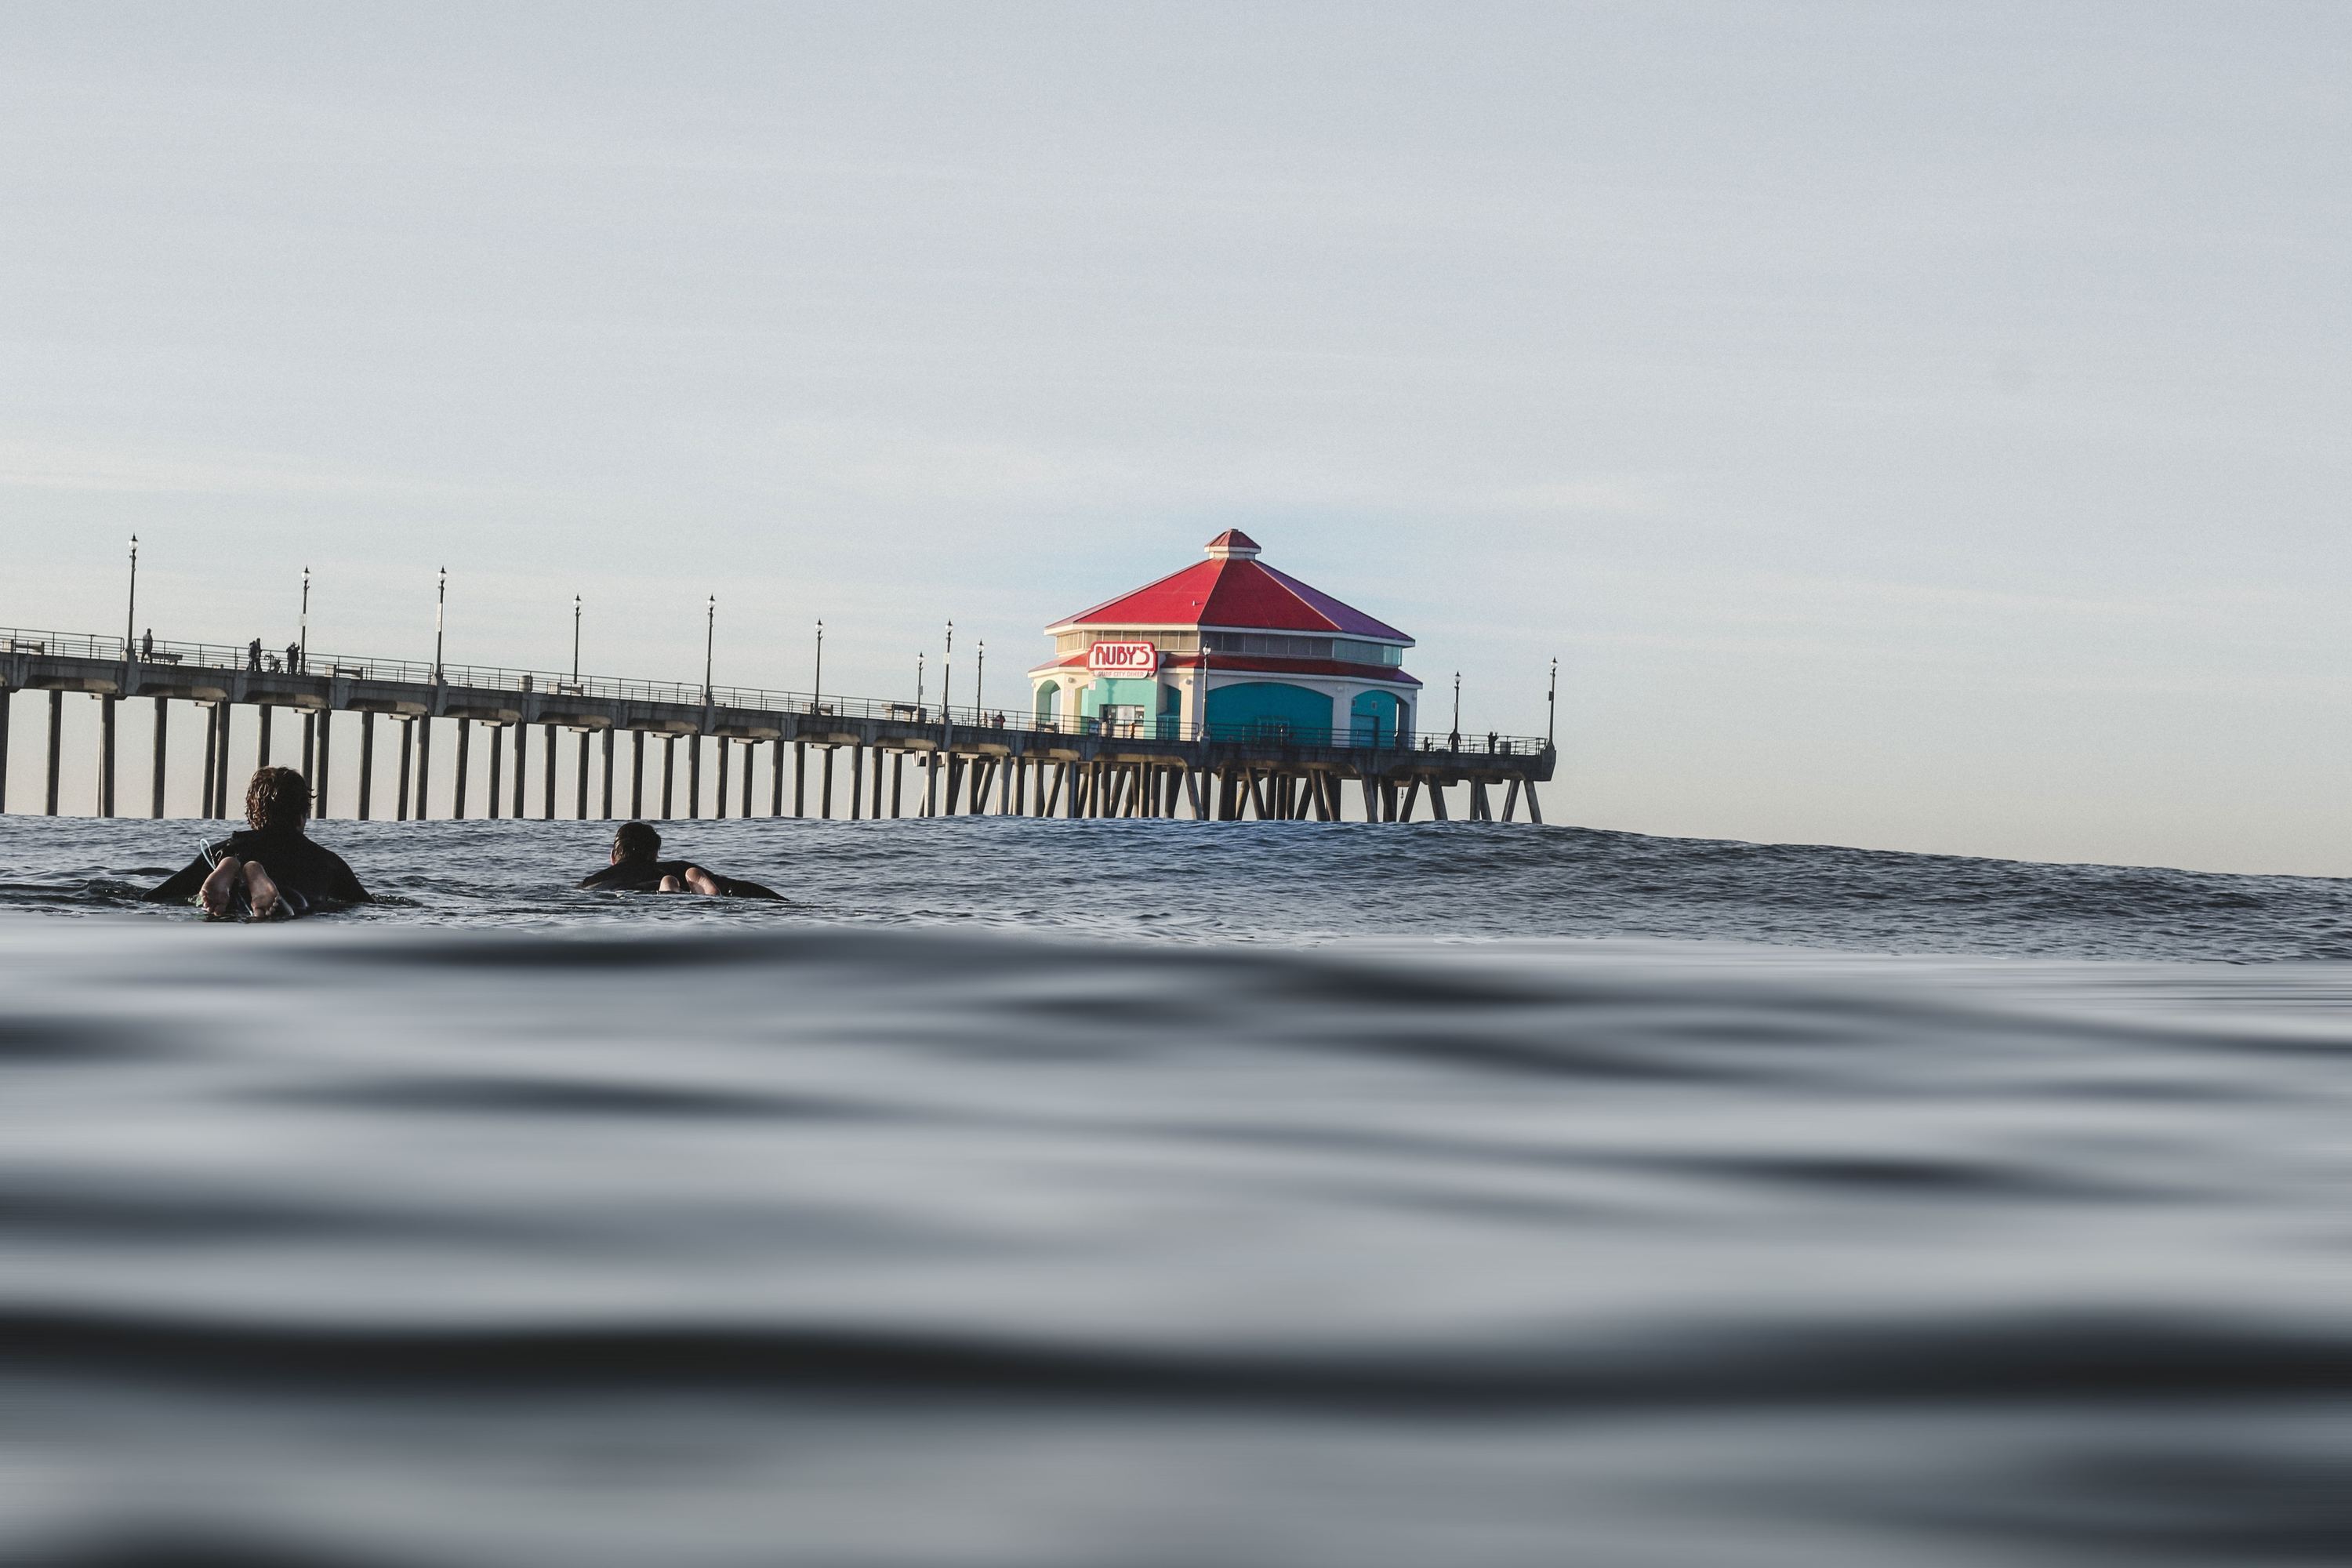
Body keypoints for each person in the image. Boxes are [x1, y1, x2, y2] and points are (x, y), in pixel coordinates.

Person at [144, 766, 370, 919]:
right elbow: (367, 905)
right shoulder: (327, 862)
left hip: (237, 857)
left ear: (252, 814)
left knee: (221, 910)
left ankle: (234, 872)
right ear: (302, 815)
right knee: (293, 907)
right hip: (291, 898)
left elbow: (155, 897)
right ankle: (256, 881)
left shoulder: (225, 849)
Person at [578, 822, 782, 898]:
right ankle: (674, 889)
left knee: (661, 893)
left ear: (613, 857)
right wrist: (785, 902)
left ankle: (669, 891)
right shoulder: (675, 868)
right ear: (653, 855)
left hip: (606, 890)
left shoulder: (589, 882)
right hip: (660, 880)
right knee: (676, 886)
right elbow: (735, 887)